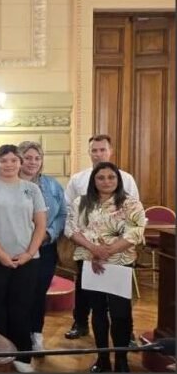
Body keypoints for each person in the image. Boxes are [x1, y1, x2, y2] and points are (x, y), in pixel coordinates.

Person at [64, 162, 146, 373]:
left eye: (111, 177)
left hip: (120, 263)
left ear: (118, 180)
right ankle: (102, 359)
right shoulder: (80, 202)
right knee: (98, 312)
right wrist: (94, 249)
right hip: (90, 263)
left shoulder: (130, 203)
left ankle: (121, 360)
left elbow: (136, 231)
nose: (106, 181)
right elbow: (71, 229)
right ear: (94, 180)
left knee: (121, 313)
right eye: (101, 177)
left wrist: (107, 251)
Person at [0, 145, 47, 373]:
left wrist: (28, 253)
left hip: (27, 259)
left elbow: (41, 224)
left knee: (21, 307)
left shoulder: (31, 189)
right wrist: (1, 254)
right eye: (4, 160)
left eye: (13, 160)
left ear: (20, 163)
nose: (9, 165)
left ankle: (22, 356)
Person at [63, 134, 140, 341]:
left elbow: (133, 216)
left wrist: (109, 250)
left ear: (110, 151)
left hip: (119, 253)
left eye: (102, 150)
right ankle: (80, 323)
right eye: (94, 150)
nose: (98, 154)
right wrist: (94, 249)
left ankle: (127, 333)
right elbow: (70, 213)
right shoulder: (78, 179)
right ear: (89, 153)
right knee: (85, 292)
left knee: (120, 300)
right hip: (87, 252)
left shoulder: (126, 178)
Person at [17, 141, 67, 352]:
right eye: (28, 157)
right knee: (19, 294)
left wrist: (48, 234)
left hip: (45, 249)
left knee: (38, 294)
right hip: (17, 248)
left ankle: (35, 333)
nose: (33, 162)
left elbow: (63, 214)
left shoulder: (52, 185)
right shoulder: (9, 183)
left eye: (37, 158)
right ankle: (17, 337)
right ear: (19, 159)